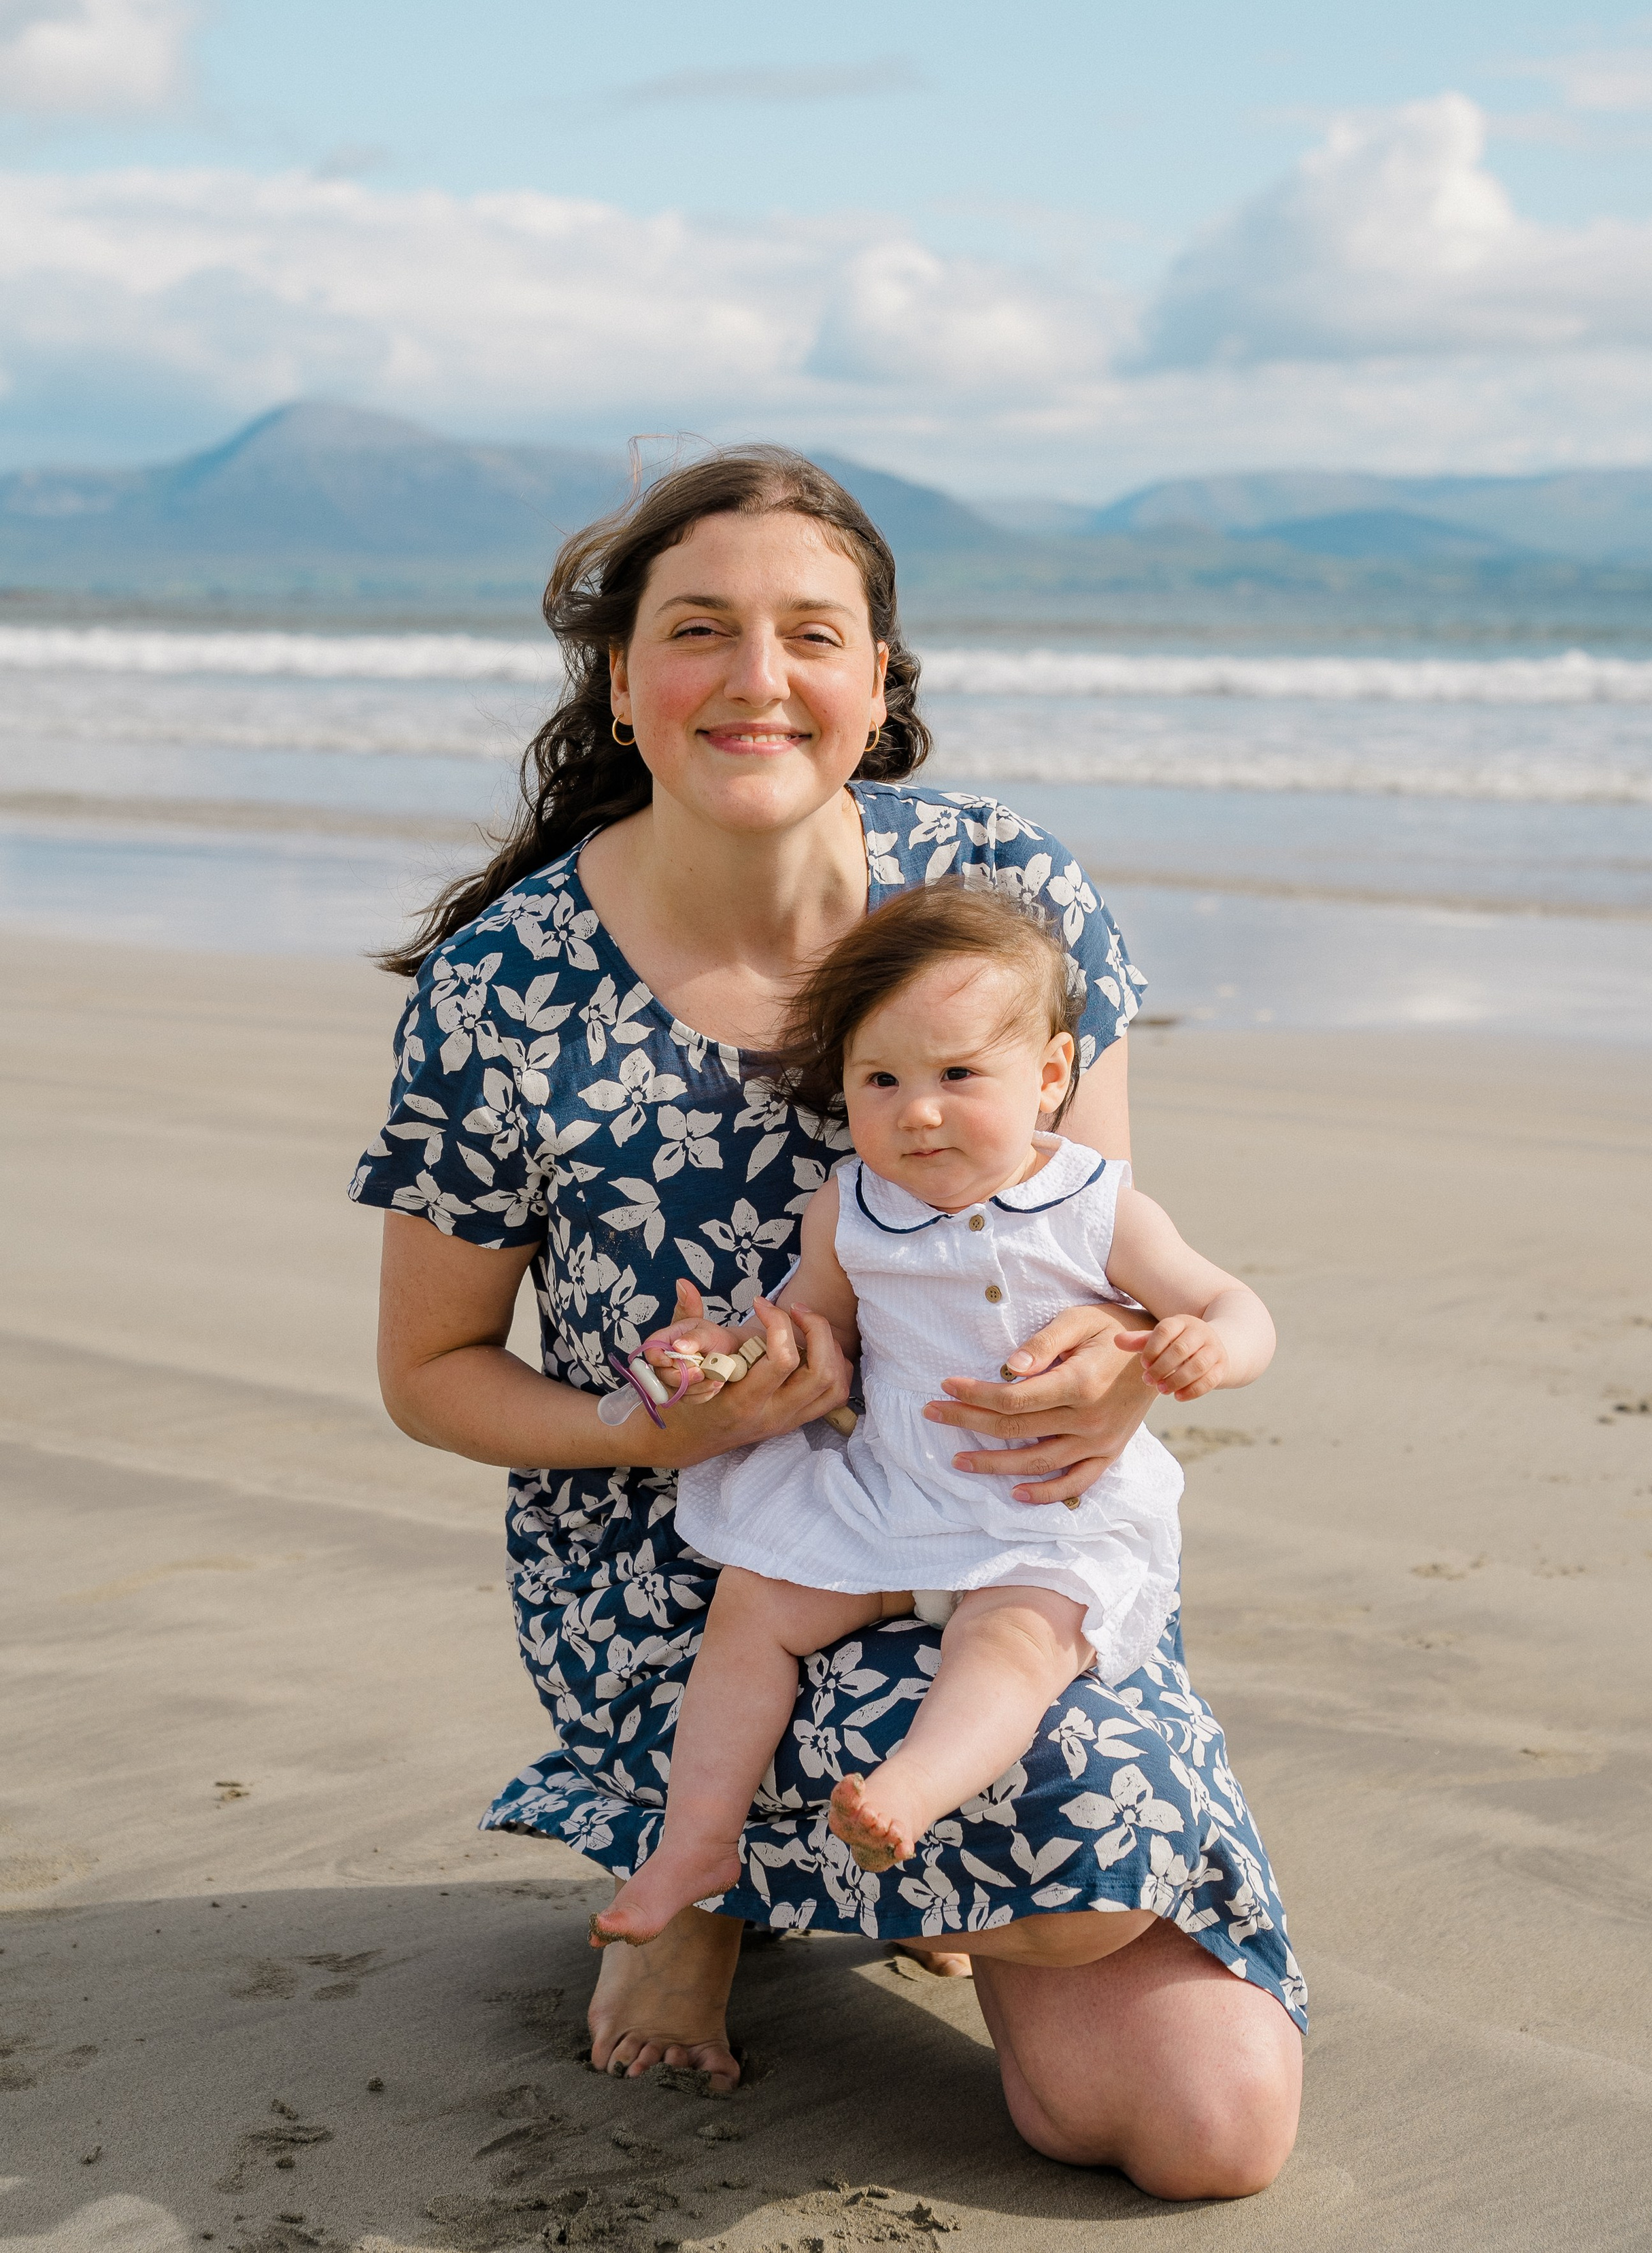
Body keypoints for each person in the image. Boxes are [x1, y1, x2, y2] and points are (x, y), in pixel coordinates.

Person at [355, 446, 1304, 2201]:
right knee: (837, 1754)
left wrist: (1110, 1379)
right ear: (625, 681)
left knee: (1207, 2126)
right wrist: (659, 1424)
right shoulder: (507, 983)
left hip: (990, 1532)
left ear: (877, 682)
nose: (756, 678)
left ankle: (918, 1863)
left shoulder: (1003, 897)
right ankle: (699, 1882)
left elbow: (1090, 1245)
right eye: (698, 630)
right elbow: (427, 1377)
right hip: (688, 1571)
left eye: (812, 634)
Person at [588, 879, 1277, 1946]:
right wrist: (720, 1353)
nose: (917, 1110)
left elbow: (1236, 1304)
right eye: (882, 1078)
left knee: (1015, 1644)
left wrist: (1209, 1345)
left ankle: (908, 1790)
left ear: (1050, 1077)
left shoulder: (1097, 1208)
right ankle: (698, 1836)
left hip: (1037, 1516)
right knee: (753, 1606)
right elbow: (810, 1333)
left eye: (959, 1074)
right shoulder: (851, 1207)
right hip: (886, 1499)